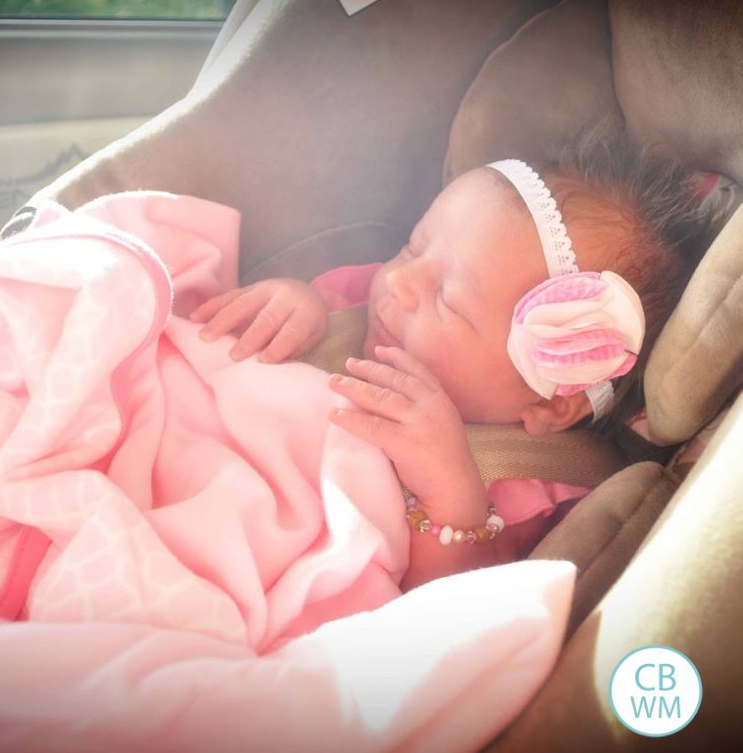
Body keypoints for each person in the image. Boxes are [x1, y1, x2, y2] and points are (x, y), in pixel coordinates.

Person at [189, 134, 715, 587]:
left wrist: (451, 494)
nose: (397, 281)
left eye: (449, 299)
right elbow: (265, 335)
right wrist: (293, 303)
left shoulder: (543, 488)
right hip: (205, 462)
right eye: (412, 248)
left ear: (552, 403)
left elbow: (449, 614)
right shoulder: (370, 307)